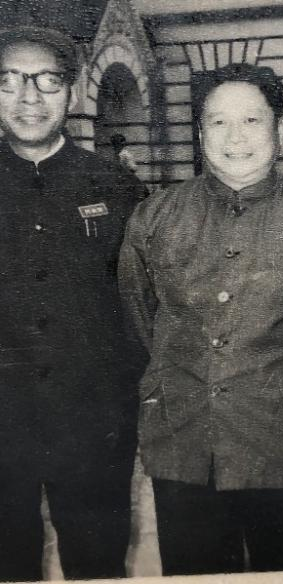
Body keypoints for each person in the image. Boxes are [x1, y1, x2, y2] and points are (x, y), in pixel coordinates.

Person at [119, 63, 283, 575]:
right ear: (199, 132)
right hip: (185, 444)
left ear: (281, 130)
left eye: (252, 120)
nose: (235, 138)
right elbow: (140, 318)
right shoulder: (154, 217)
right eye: (218, 122)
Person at [0, 26, 146, 581]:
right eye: (10, 80)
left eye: (47, 80)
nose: (29, 98)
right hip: (3, 427)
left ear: (74, 91)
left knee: (98, 564)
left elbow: (141, 305)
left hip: (93, 425)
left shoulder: (116, 187)